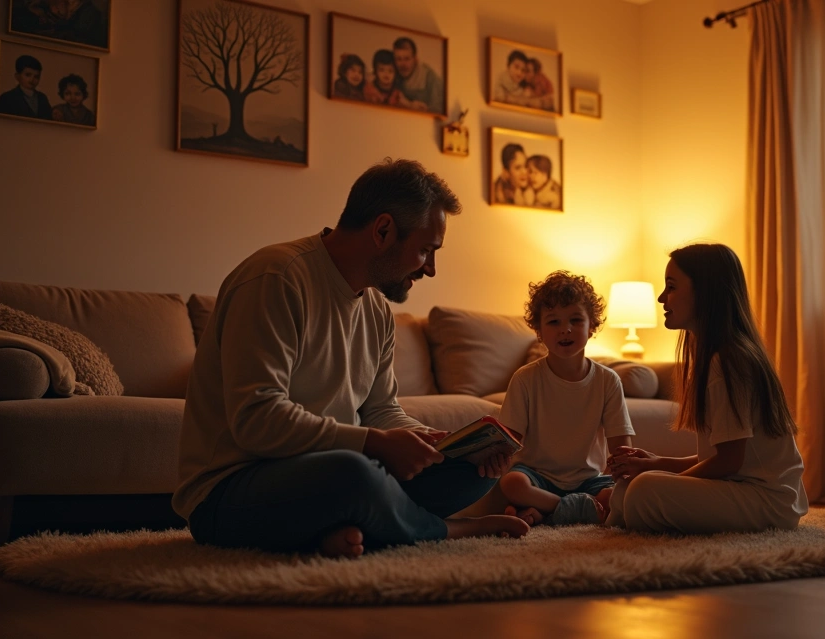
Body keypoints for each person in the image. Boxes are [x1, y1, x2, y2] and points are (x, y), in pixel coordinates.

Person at [172, 159, 529, 559]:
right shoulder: (275, 278)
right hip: (232, 490)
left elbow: (380, 410)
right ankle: (443, 530)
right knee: (355, 474)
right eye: (426, 251)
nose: (430, 269)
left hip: (325, 476)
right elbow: (257, 420)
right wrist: (372, 444)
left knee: (468, 471)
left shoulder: (377, 309)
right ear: (382, 231)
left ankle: (340, 529)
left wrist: (438, 444)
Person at [606, 243, 809, 534]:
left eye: (671, 287)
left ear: (705, 292)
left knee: (643, 489)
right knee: (633, 485)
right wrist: (656, 463)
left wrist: (665, 477)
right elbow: (718, 459)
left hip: (769, 501)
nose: (662, 297)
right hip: (743, 488)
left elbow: (729, 461)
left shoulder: (729, 361)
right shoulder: (715, 357)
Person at [497, 271, 634, 525]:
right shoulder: (525, 378)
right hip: (536, 477)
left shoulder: (608, 380)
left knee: (624, 494)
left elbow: (622, 450)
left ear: (591, 326)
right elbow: (508, 443)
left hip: (589, 481)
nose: (565, 329)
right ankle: (566, 508)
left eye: (575, 320)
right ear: (538, 331)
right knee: (512, 483)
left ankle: (541, 511)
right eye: (553, 322)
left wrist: (627, 481)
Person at [392, 37, 444, 114]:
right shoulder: (392, 72)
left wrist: (411, 106)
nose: (403, 64)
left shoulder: (429, 77)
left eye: (407, 59)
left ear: (415, 59)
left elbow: (439, 111)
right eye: (399, 59)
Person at [0, 54, 52, 120]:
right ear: (17, 76)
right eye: (28, 75)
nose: (32, 80)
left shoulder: (42, 98)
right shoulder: (7, 98)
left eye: (36, 77)